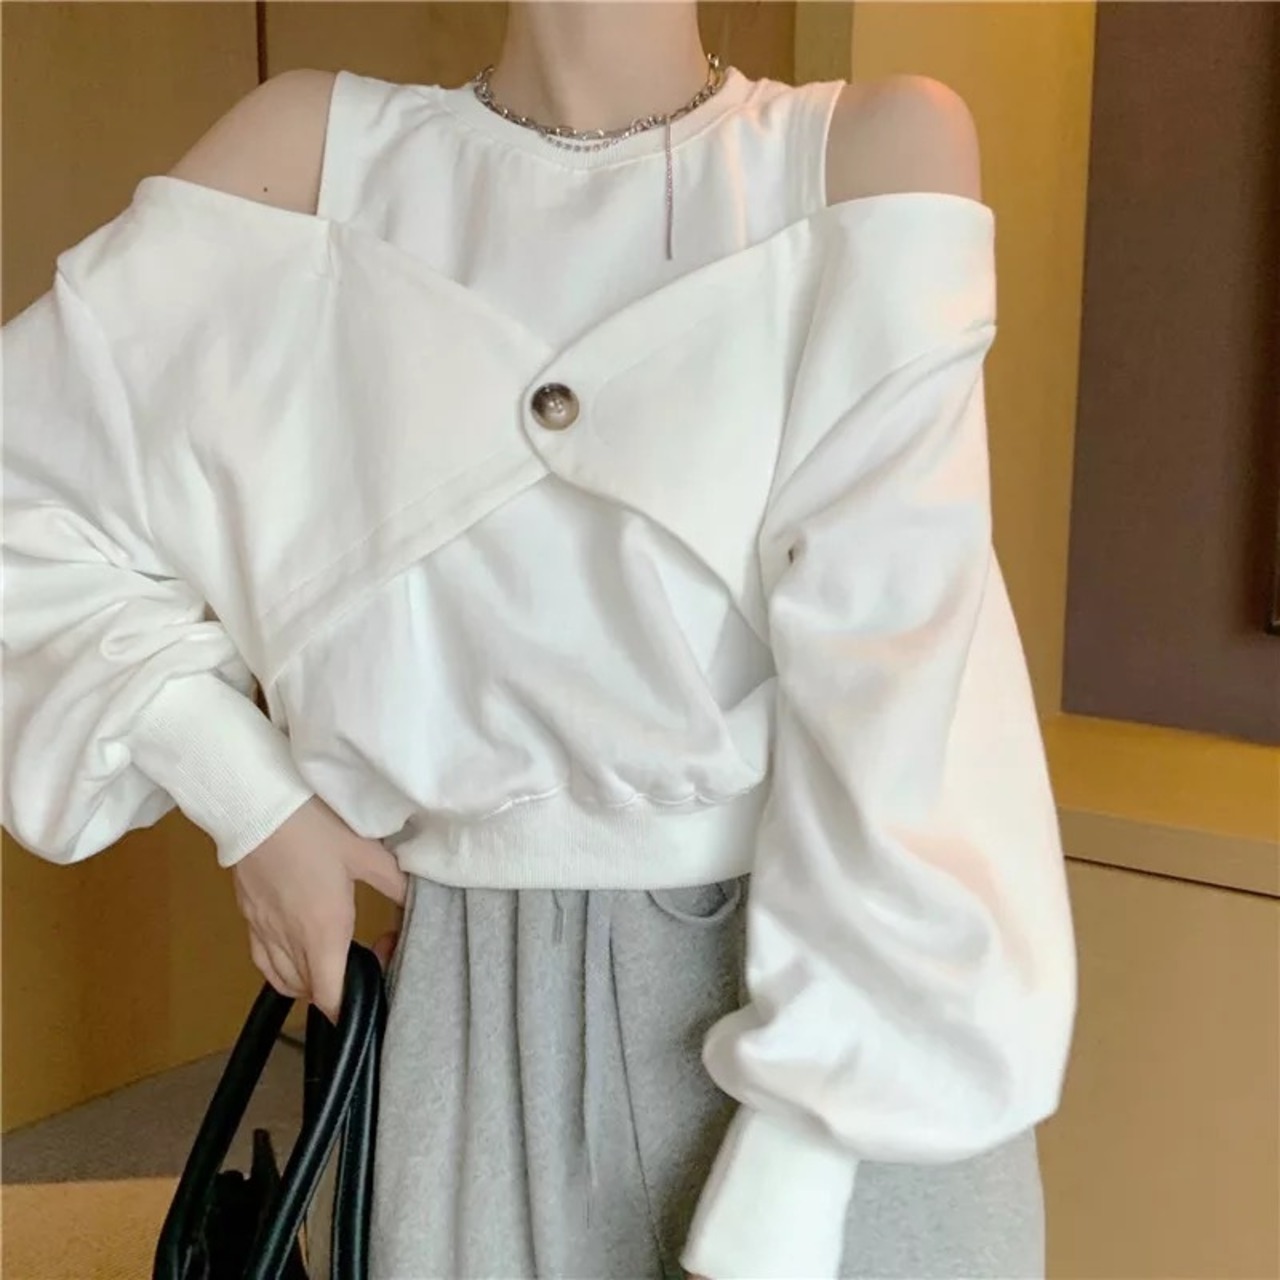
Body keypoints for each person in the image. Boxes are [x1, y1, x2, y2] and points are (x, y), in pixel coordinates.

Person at [1, 3, 1078, 1277]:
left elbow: (906, 696)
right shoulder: (311, 159)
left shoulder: (863, 155)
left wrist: (801, 1162)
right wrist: (251, 799)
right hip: (462, 1016)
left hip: (844, 1024)